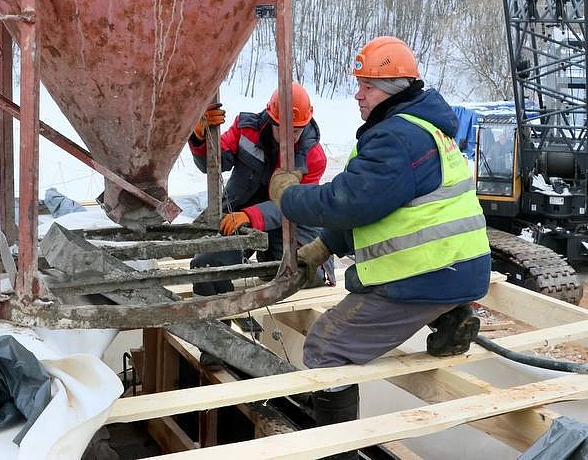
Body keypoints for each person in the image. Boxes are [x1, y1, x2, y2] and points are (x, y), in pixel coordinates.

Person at [269, 36, 491, 437]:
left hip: (427, 274)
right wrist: (323, 247)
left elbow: (346, 202)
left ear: (391, 91)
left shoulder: (396, 139)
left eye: (366, 86)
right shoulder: (421, 129)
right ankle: (451, 315)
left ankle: (340, 449)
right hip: (461, 268)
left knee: (325, 348)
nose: (358, 95)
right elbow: (379, 209)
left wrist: (288, 196)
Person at [187, 82, 332, 295]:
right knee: (207, 267)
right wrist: (200, 138)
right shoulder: (245, 130)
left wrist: (251, 215)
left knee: (302, 274)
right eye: (283, 129)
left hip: (287, 225)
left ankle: (274, 260)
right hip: (237, 217)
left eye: (296, 131)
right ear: (271, 118)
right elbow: (212, 165)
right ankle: (219, 321)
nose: (289, 137)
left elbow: (296, 206)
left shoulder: (313, 156)